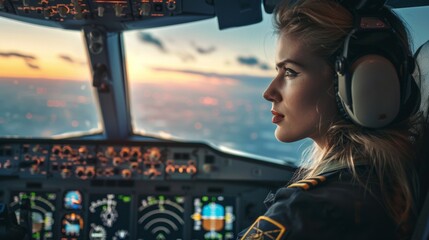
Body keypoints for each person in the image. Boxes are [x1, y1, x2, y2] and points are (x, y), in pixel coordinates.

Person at [237, 0, 424, 239]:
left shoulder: (308, 211)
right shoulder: (391, 180)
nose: (269, 92)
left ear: (359, 81)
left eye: (291, 72)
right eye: (278, 71)